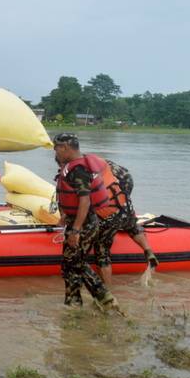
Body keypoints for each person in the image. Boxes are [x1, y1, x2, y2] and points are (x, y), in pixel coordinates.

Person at [52, 133, 119, 311]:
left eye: (56, 148)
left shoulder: (78, 170)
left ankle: (105, 298)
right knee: (69, 265)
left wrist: (76, 230)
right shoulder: (72, 167)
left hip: (84, 224)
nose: (55, 152)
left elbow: (85, 200)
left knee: (76, 263)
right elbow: (74, 197)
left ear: (65, 147)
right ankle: (73, 303)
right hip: (79, 221)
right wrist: (66, 215)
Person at [93, 158, 159, 286]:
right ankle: (148, 250)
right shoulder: (104, 162)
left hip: (108, 212)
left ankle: (108, 289)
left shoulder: (77, 171)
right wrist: (124, 198)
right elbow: (128, 178)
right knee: (132, 225)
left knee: (102, 249)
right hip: (122, 202)